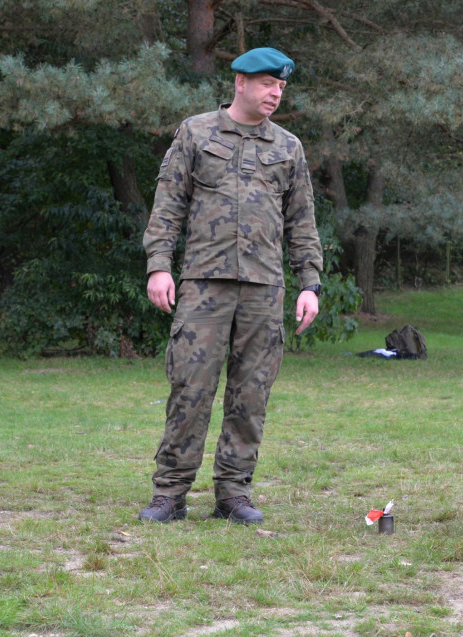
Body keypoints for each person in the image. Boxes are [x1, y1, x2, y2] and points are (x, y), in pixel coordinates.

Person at [139, 47, 323, 525]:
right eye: (267, 84)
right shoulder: (196, 132)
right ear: (240, 82)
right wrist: (158, 264)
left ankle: (234, 493)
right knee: (190, 390)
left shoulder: (288, 147)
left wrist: (310, 283)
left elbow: (302, 221)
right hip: (204, 285)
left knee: (251, 395)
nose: (275, 93)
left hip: (264, 288)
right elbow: (168, 204)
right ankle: (170, 494)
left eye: (281, 87)